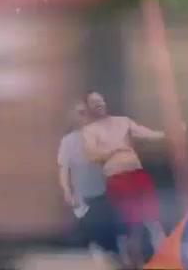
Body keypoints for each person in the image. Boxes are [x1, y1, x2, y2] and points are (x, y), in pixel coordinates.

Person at [81, 91, 167, 268]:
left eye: (100, 101)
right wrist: (114, 150)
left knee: (151, 216)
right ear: (89, 107)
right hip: (117, 178)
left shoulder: (123, 122)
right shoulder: (90, 131)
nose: (98, 105)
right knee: (129, 220)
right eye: (93, 102)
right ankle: (129, 257)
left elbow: (146, 133)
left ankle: (161, 252)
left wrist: (166, 134)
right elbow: (91, 155)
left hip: (137, 173)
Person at [57, 101, 122, 263]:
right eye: (80, 113)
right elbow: (64, 168)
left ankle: (106, 252)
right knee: (87, 229)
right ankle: (94, 252)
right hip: (82, 193)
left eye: (86, 113)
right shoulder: (69, 141)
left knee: (105, 227)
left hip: (101, 192)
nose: (84, 117)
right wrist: (67, 191)